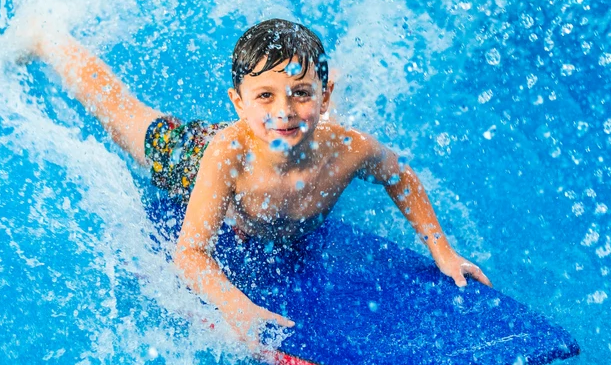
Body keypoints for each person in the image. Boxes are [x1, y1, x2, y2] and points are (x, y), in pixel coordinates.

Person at [26, 18, 490, 345]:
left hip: (298, 150)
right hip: (195, 158)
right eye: (265, 95)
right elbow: (188, 253)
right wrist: (235, 305)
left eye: (301, 93)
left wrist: (442, 250)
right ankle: (47, 38)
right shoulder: (223, 157)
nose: (284, 110)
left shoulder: (349, 149)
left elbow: (400, 177)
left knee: (311, 128)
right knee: (125, 118)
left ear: (322, 97)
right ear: (238, 101)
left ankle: (331, 69)